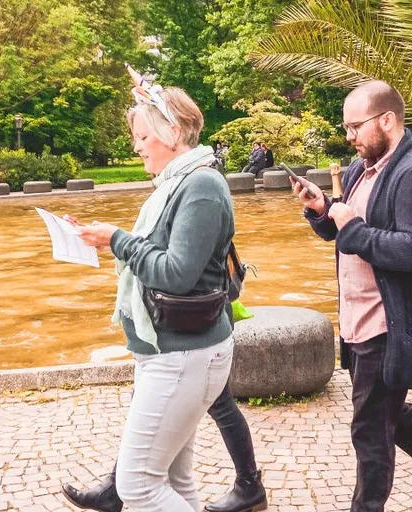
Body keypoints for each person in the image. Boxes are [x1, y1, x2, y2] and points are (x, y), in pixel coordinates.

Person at [61, 67, 266, 512]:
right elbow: (157, 254)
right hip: (171, 351)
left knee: (137, 485)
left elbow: (176, 274)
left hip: (183, 355)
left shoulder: (201, 186)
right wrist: (103, 238)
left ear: (172, 133)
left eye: (142, 136)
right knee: (173, 478)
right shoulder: (177, 182)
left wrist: (117, 239)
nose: (136, 147)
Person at [291, 80, 412, 512]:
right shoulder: (359, 170)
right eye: (346, 127)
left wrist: (352, 227)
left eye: (355, 126)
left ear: (387, 120)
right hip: (356, 322)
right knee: (389, 413)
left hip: (390, 326)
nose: (349, 136)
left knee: (369, 430)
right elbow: (347, 231)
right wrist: (323, 210)